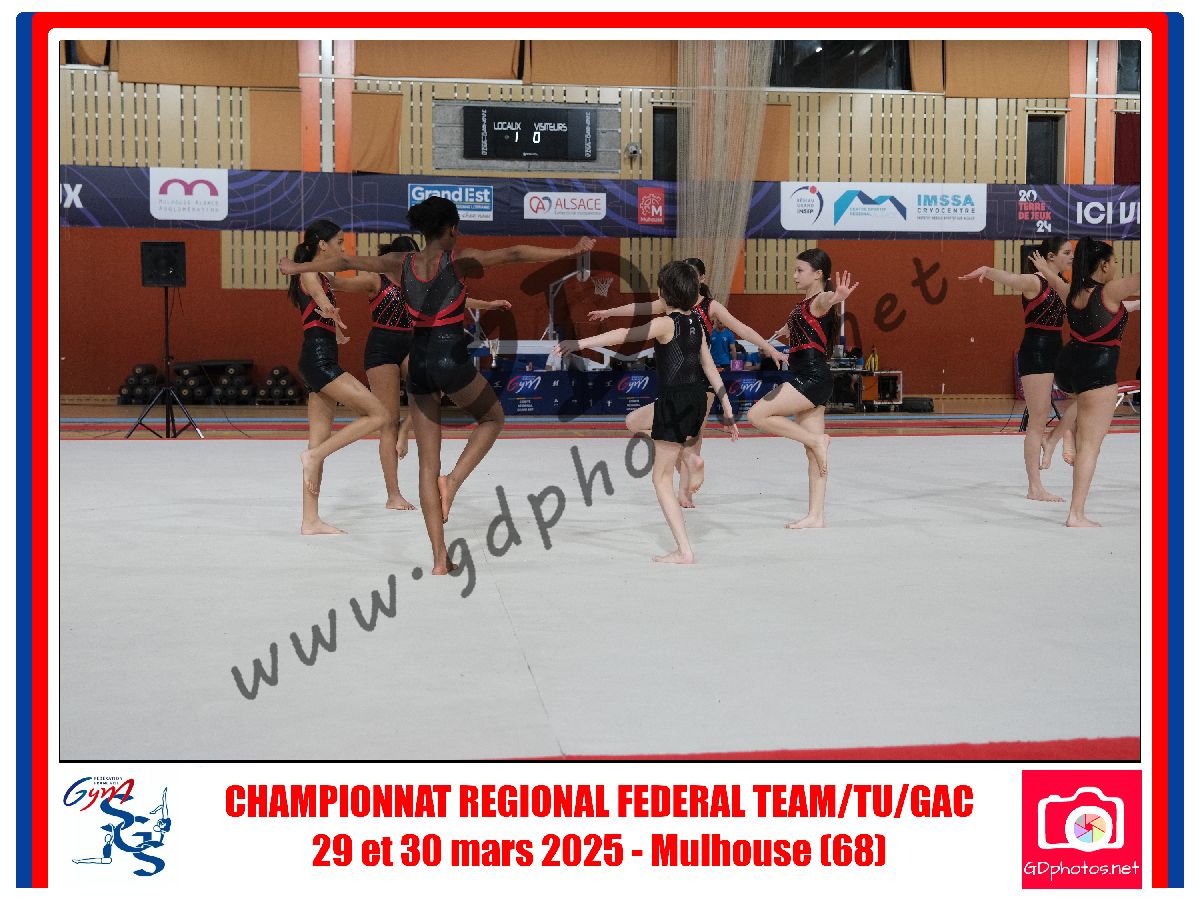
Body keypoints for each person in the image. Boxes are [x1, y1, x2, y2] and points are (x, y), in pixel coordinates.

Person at [282, 198, 593, 574]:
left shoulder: (399, 263)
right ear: (452, 229)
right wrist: (570, 252)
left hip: (419, 365)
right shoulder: (458, 260)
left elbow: (347, 261)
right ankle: (454, 481)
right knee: (492, 419)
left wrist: (300, 266)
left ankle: (439, 559)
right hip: (449, 358)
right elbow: (513, 253)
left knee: (427, 463)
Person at [555, 260, 737, 564]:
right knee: (633, 421)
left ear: (663, 293)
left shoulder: (667, 323)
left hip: (675, 400)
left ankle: (684, 550)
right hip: (696, 399)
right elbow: (709, 367)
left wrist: (580, 342)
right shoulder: (697, 322)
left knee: (661, 479)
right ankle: (688, 457)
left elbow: (624, 335)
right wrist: (727, 408)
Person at [328, 237, 512, 511]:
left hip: (412, 344)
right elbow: (338, 283)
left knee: (431, 392)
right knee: (387, 421)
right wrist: (316, 269)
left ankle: (405, 430)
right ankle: (393, 494)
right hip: (381, 349)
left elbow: (458, 300)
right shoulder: (375, 280)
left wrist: (489, 305)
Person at [589, 257, 787, 507]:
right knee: (678, 438)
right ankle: (686, 478)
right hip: (676, 378)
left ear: (701, 279)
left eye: (691, 275)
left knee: (693, 439)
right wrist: (608, 312)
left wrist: (771, 349)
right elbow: (639, 308)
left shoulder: (710, 306)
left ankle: (686, 493)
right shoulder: (670, 302)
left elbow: (743, 329)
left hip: (701, 378)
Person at [286, 220, 389, 535]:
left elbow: (325, 295)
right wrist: (328, 308)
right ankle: (314, 456)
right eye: (340, 242)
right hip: (319, 361)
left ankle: (310, 520)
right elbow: (318, 295)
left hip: (320, 357)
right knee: (379, 414)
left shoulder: (321, 274)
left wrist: (337, 329)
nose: (343, 247)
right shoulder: (309, 272)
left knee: (318, 437)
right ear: (322, 244)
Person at [1029, 238, 1140, 526]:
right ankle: (1076, 514)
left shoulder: (1072, 291)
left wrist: (1044, 268)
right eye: (1114, 262)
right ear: (1103, 265)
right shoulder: (1110, 291)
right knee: (1090, 447)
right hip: (1097, 370)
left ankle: (1064, 434)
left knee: (1082, 409)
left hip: (1068, 368)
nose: (1116, 267)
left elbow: (1054, 281)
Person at [746, 249, 858, 529]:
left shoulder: (819, 300)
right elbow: (804, 321)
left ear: (818, 274)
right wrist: (787, 330)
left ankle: (817, 441)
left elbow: (826, 300)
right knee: (812, 453)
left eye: (800, 270)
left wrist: (837, 297)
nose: (794, 275)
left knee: (757, 415)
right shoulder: (803, 305)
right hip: (812, 378)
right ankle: (815, 516)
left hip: (810, 379)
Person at [958, 236, 1075, 501]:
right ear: (1051, 256)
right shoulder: (1035, 282)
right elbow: (1011, 279)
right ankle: (1035, 487)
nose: (1071, 256)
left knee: (1084, 398)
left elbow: (1089, 306)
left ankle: (1059, 436)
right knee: (1037, 419)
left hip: (1057, 348)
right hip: (1037, 350)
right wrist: (987, 270)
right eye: (1066, 252)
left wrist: (1137, 304)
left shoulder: (1062, 284)